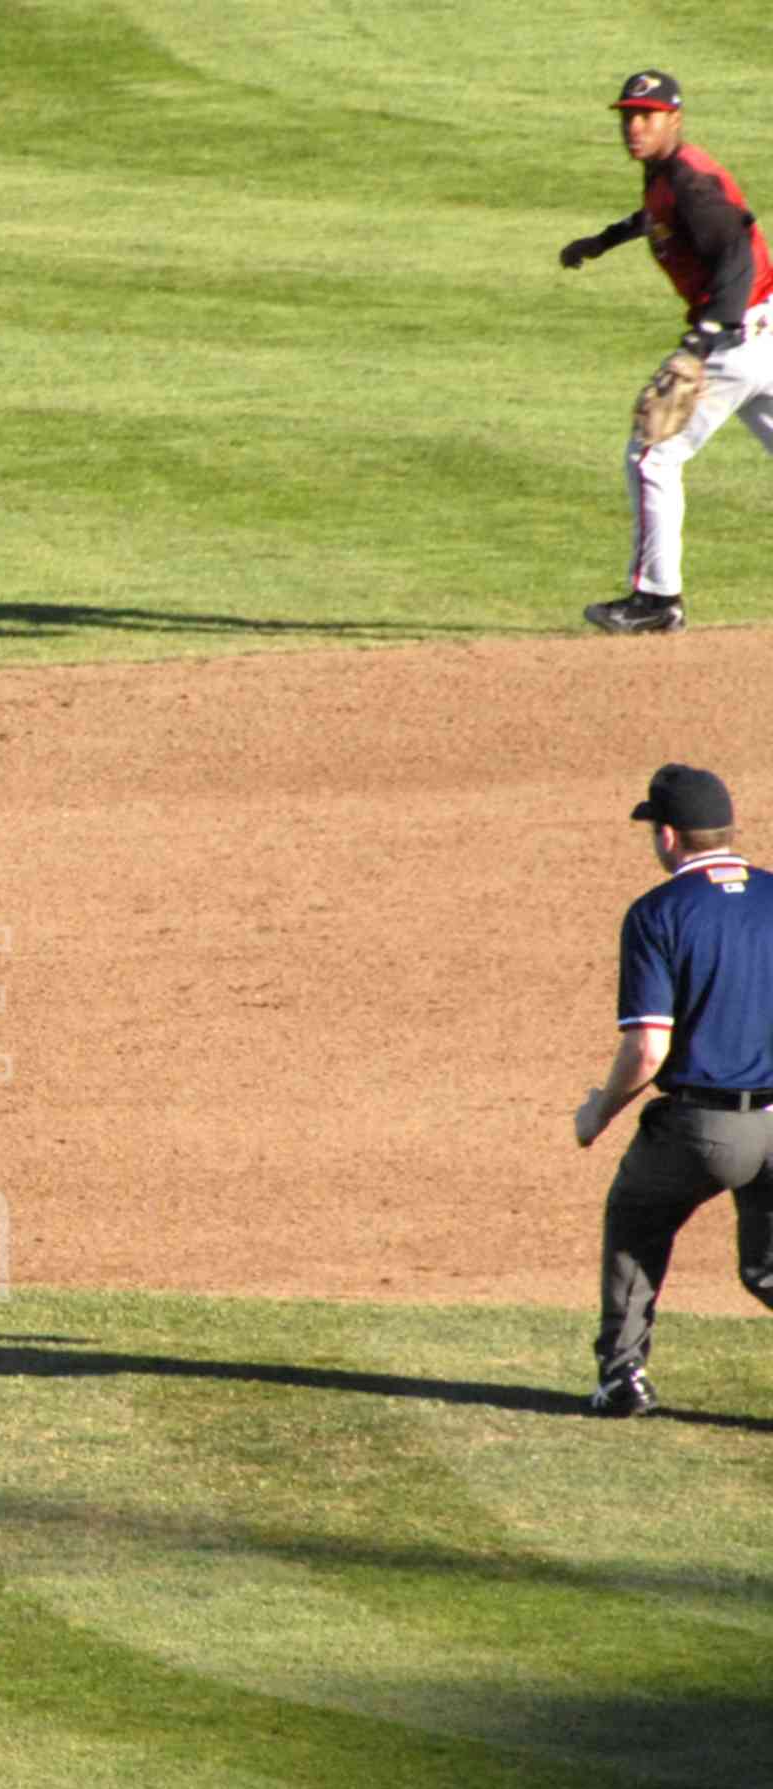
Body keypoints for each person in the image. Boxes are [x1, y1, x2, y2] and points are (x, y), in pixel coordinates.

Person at [571, 764, 773, 1416]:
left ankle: (622, 1377)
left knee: (636, 1221)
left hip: (703, 1128)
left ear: (668, 836)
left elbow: (648, 1046)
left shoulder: (659, 913)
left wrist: (598, 1112)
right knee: (768, 1267)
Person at [558, 69, 773, 634]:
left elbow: (735, 259)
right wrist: (601, 241)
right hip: (765, 328)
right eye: (628, 115)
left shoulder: (691, 183)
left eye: (646, 116)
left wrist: (701, 343)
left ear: (673, 119)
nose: (634, 126)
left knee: (653, 454)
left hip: (733, 338)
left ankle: (657, 599)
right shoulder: (669, 173)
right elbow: (656, 217)